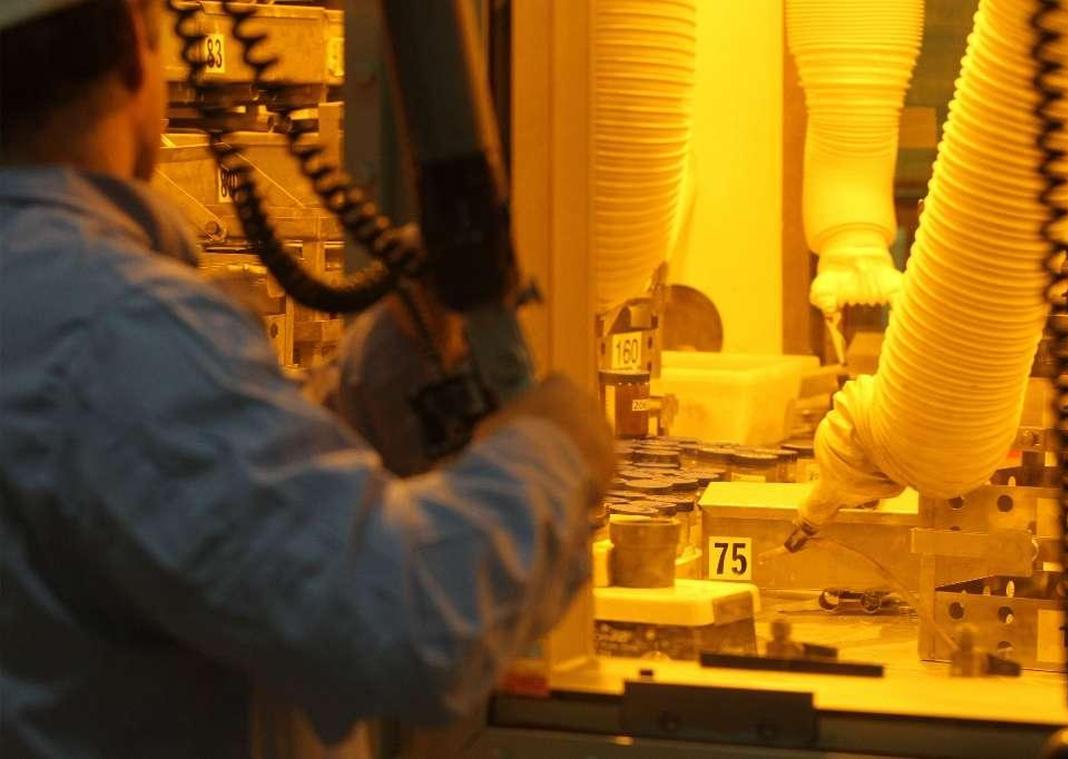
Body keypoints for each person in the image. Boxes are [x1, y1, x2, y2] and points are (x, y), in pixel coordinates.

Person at [0, 1, 615, 756]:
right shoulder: (111, 324)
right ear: (136, 45)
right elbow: (406, 623)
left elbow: (199, 524)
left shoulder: (61, 313)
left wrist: (381, 374)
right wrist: (554, 454)